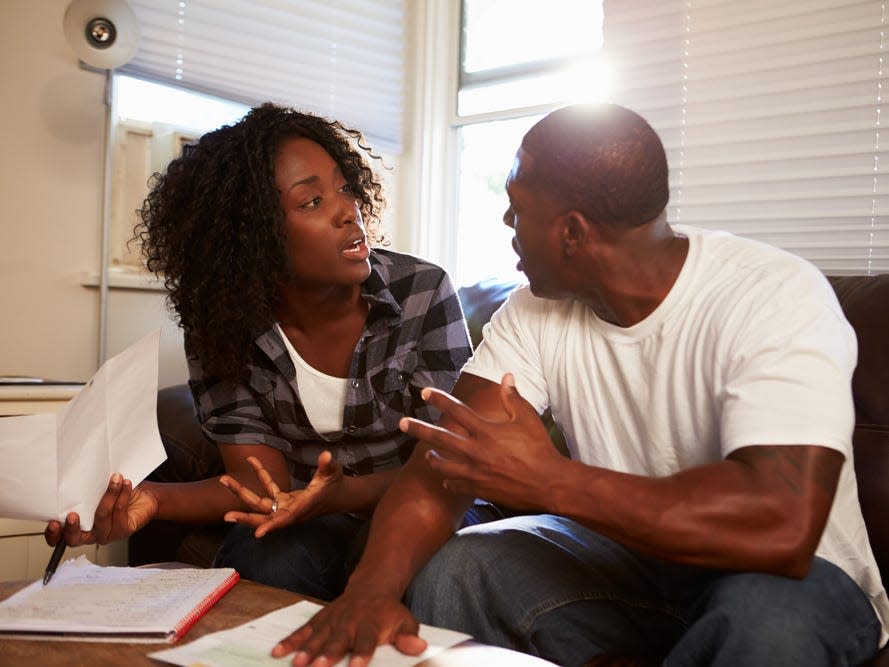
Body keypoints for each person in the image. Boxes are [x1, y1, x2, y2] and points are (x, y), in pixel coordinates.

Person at [256, 103, 888, 666]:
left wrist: (552, 480)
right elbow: (443, 461)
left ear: (574, 232)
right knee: (459, 569)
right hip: (633, 568)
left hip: (793, 581)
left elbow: (781, 523)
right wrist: (370, 592)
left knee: (767, 618)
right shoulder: (533, 310)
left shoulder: (773, 294)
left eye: (518, 204)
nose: (506, 217)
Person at [43, 102, 480, 600]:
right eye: (311, 202)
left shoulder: (422, 292)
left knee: (422, 567)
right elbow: (261, 488)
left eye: (343, 187)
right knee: (262, 553)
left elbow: (452, 466)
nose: (346, 210)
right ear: (254, 237)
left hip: (424, 502)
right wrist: (150, 500)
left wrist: (340, 495)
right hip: (306, 517)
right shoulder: (224, 326)